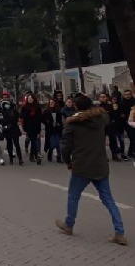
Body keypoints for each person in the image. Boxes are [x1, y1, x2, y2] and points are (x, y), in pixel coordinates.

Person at [55, 94, 127, 246]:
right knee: (108, 199)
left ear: (75, 107)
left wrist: (67, 161)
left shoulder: (72, 124)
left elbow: (65, 146)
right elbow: (105, 116)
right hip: (100, 164)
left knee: (73, 196)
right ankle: (119, 232)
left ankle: (69, 225)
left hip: (81, 165)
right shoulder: (100, 119)